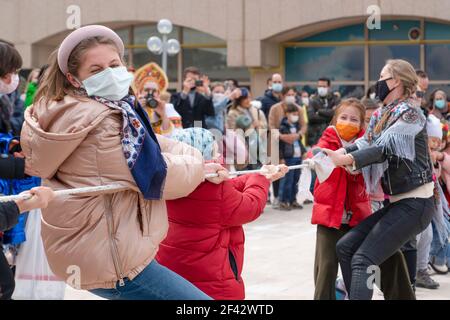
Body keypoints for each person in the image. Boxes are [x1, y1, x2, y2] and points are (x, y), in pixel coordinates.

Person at [20, 25, 227, 300]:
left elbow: (151, 143)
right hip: (112, 257)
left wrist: (195, 157)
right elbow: (157, 175)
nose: (109, 73)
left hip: (102, 246)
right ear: (74, 78)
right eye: (96, 70)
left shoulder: (101, 109)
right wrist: (200, 168)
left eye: (114, 64)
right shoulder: (98, 120)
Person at [324, 59, 435, 300]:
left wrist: (347, 160)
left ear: (396, 81)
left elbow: (384, 148)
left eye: (383, 76)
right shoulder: (382, 114)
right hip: (398, 202)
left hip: (417, 203)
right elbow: (367, 142)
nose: (378, 82)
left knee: (364, 259)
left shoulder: (411, 114)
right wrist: (340, 153)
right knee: (346, 247)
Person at [156, 128, 288, 300]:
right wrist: (261, 179)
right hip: (213, 283)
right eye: (215, 151)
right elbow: (250, 206)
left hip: (173, 273)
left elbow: (228, 189)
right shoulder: (212, 188)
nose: (219, 156)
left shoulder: (170, 182)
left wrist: (257, 176)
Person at [413, 114, 442, 289]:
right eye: (433, 139)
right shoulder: (418, 150)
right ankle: (405, 272)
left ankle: (420, 270)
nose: (436, 143)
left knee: (427, 235)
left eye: (438, 141)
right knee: (412, 238)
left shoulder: (432, 157)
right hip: (411, 197)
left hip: (426, 198)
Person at [268, 86, 307, 206]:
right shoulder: (275, 108)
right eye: (288, 94)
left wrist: (297, 135)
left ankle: (291, 199)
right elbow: (271, 125)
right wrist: (282, 137)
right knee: (278, 173)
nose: (291, 96)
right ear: (283, 95)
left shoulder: (299, 109)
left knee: (294, 177)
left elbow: (303, 126)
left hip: (295, 147)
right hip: (278, 144)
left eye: (293, 94)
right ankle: (280, 199)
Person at [227, 88, 268, 170]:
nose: (248, 100)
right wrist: (251, 126)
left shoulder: (256, 110)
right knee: (244, 178)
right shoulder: (233, 113)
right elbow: (233, 133)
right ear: (239, 100)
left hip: (257, 150)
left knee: (259, 178)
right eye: (245, 98)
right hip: (242, 151)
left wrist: (258, 125)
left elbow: (265, 126)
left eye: (249, 97)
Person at [277, 104, 304, 211]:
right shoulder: (283, 127)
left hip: (297, 157)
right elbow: (280, 144)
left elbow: (299, 141)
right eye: (293, 114)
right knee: (286, 180)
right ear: (287, 114)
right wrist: (281, 157)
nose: (295, 116)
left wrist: (303, 151)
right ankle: (283, 201)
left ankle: (293, 200)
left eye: (297, 114)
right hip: (288, 157)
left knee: (296, 180)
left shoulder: (297, 126)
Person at [307, 77, 341, 146]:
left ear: (328, 87)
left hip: (333, 137)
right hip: (316, 137)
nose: (321, 88)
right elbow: (311, 117)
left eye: (324, 86)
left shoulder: (335, 99)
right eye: (319, 86)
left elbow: (337, 114)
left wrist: (319, 111)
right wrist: (330, 113)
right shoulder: (313, 100)